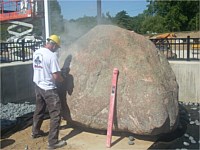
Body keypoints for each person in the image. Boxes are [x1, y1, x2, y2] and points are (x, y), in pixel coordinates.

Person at [32, 35, 67, 149]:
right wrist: (63, 79)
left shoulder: (37, 52)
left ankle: (35, 131)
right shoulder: (51, 56)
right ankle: (53, 142)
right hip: (48, 88)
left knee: (39, 110)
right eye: (57, 47)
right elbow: (56, 76)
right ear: (54, 45)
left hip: (38, 85)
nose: (57, 49)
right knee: (56, 114)